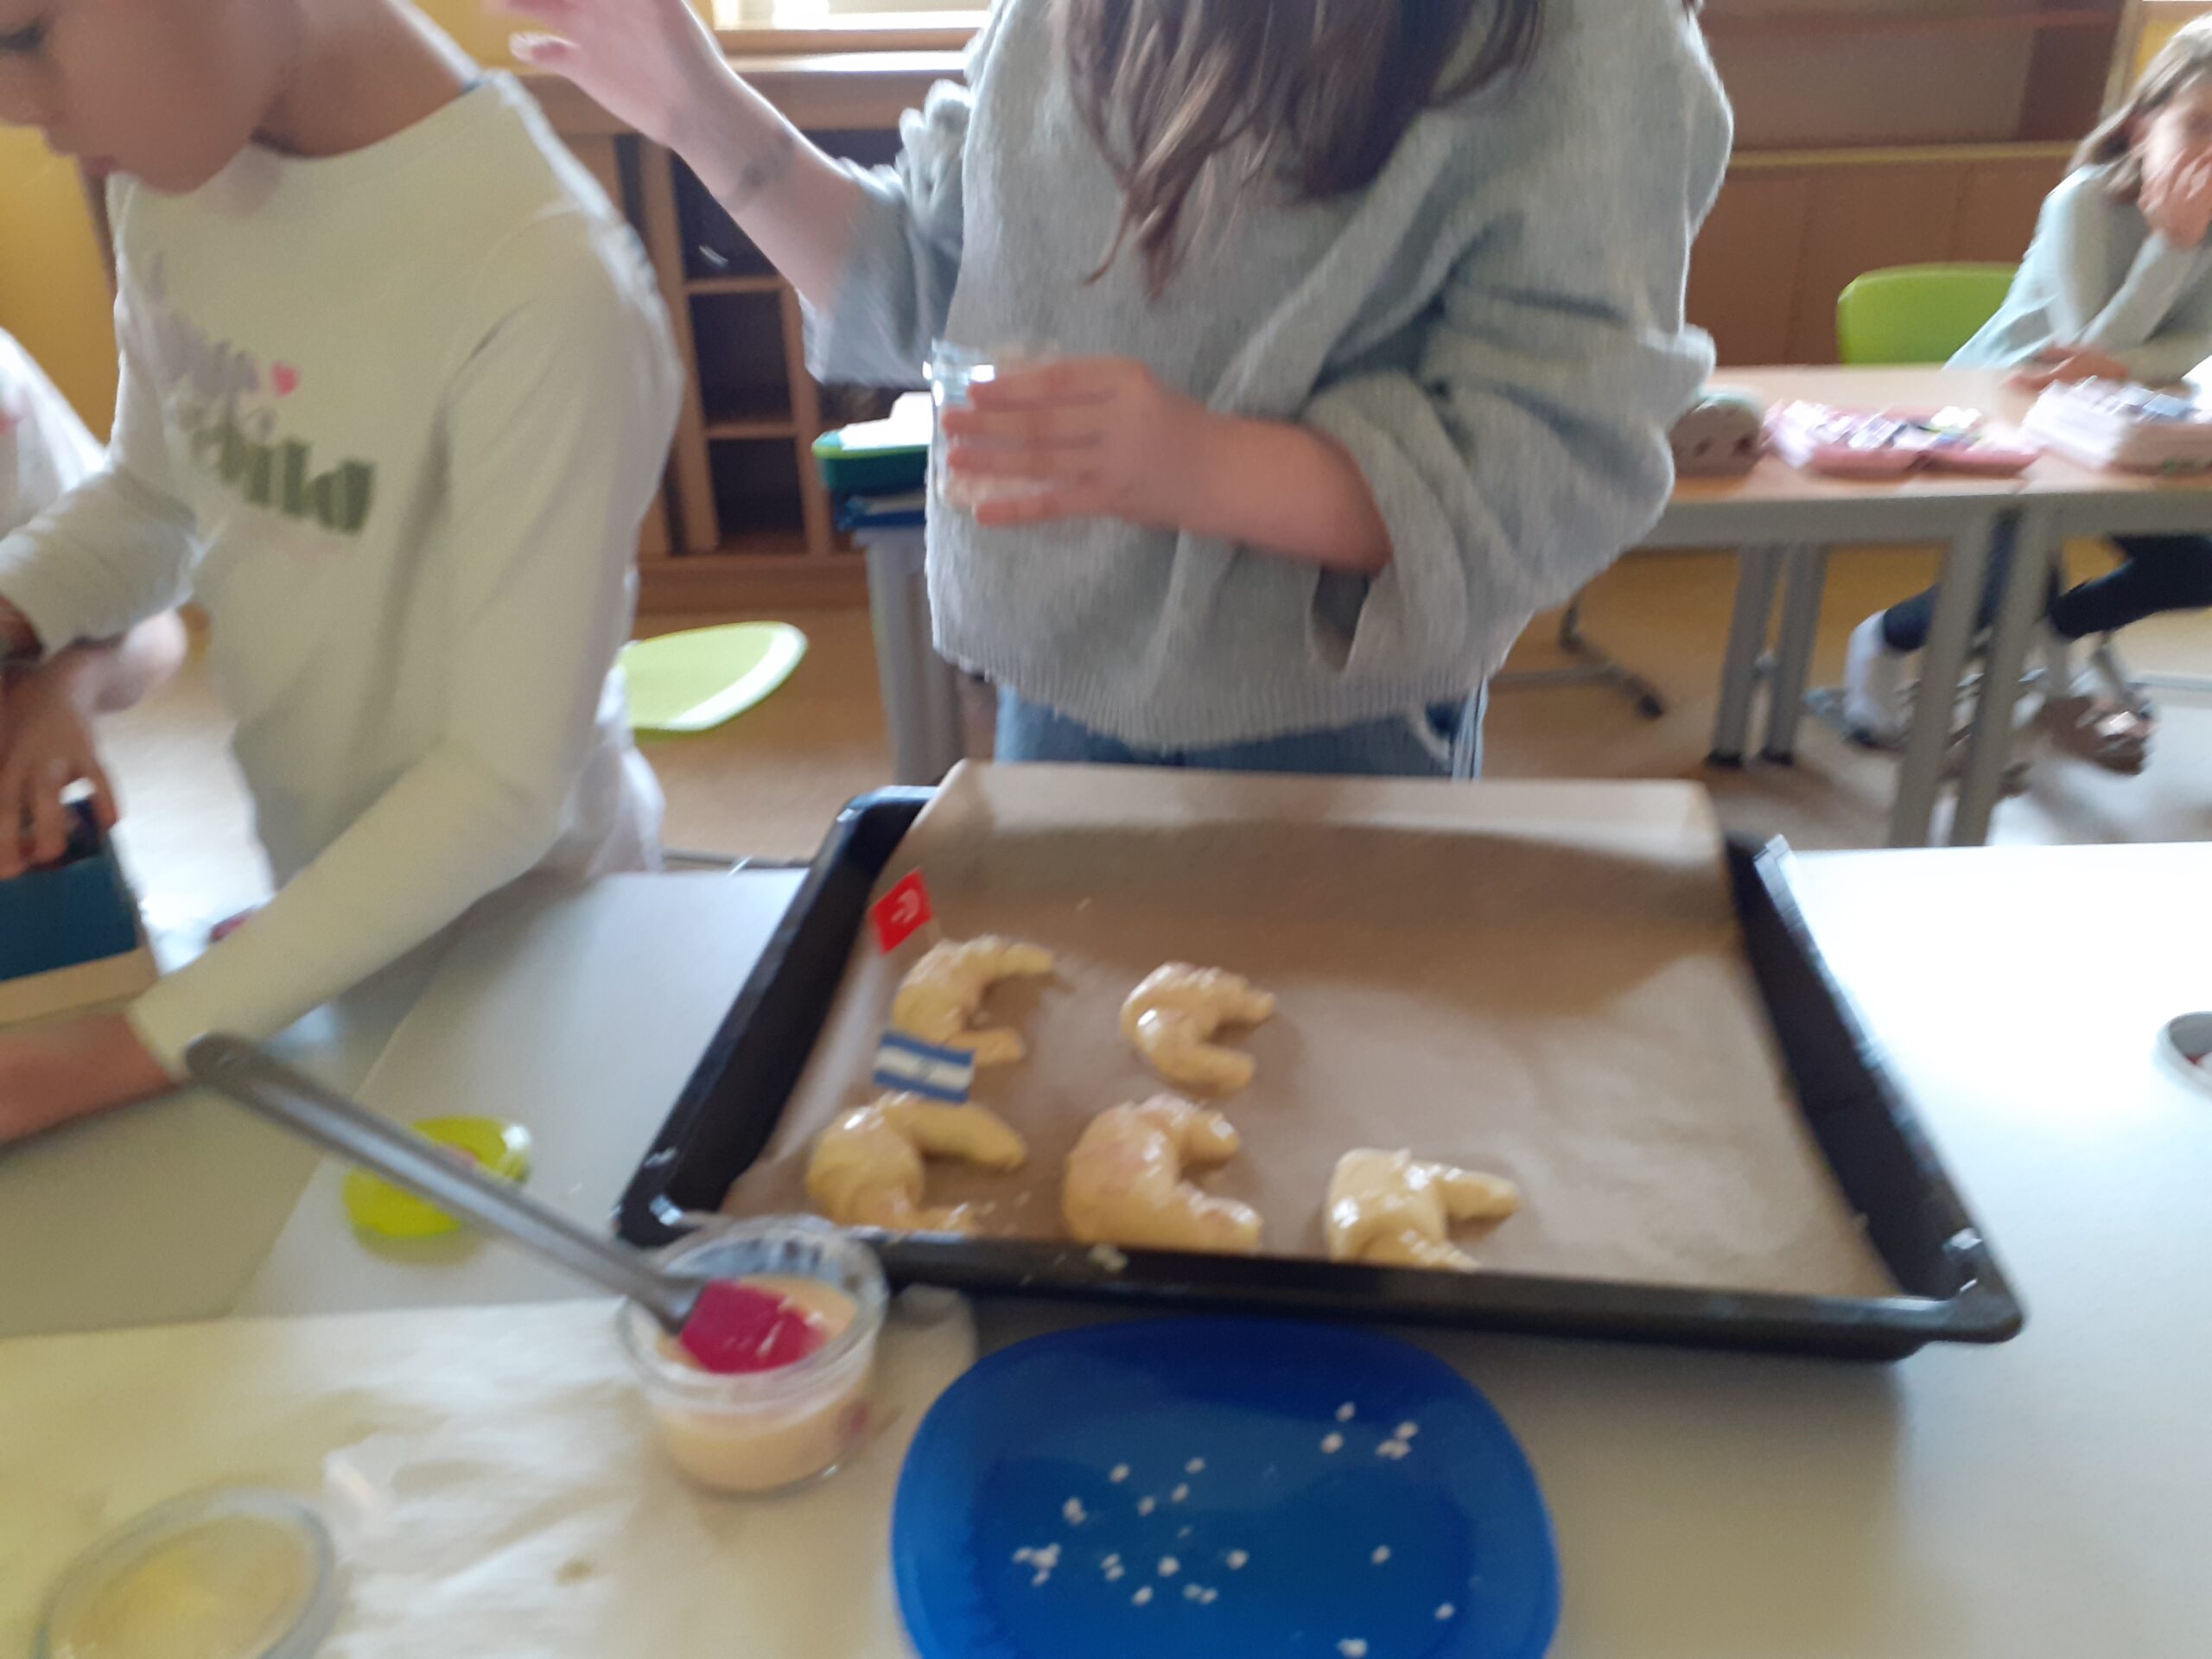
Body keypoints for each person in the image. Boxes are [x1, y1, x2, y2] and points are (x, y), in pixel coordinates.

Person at [511, 0, 1728, 776]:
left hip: (1330, 721)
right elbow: (930, 281)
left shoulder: (1583, 39)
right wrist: (698, 110)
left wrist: (1190, 462)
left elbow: (1554, 458)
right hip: (1057, 688)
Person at [0, 0, 681, 1143]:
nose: (18, 108)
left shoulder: (544, 275)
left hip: (540, 938)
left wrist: (131, 1046)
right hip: (329, 919)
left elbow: (504, 786)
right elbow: (159, 504)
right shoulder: (175, 180)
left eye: (24, 36)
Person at [1844, 20, 2212, 772]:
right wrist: (2172, 244)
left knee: (2197, 565)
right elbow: (2083, 353)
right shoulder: (2083, 202)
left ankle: (2058, 630)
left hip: (2116, 435)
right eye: (2200, 124)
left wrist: (2122, 365)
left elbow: (2193, 346)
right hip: (1998, 421)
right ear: (2143, 126)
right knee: (1997, 594)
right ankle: (1877, 645)